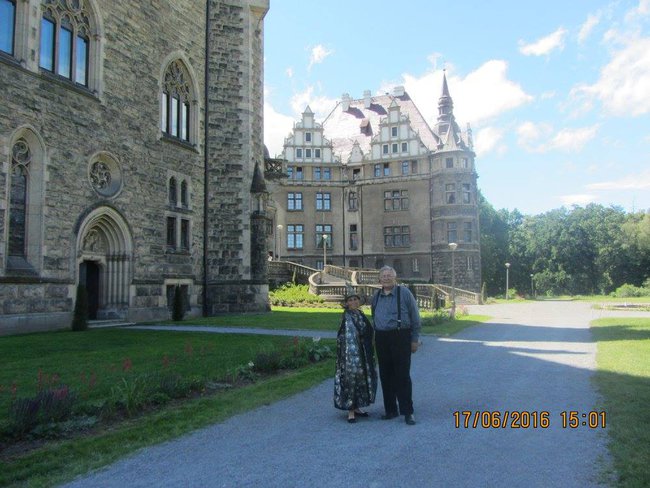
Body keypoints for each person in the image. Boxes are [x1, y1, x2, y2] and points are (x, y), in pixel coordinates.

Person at [371, 266, 421, 425]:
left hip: (400, 336)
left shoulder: (404, 293)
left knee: (402, 375)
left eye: (389, 275)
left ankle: (408, 412)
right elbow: (374, 315)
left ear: (395, 278)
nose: (386, 278)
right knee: (385, 375)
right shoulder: (376, 296)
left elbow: (415, 317)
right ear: (379, 279)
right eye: (383, 276)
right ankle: (391, 409)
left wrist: (414, 339)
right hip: (382, 338)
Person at [334, 292, 377, 423]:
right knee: (352, 378)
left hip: (363, 351)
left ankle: (357, 407)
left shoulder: (360, 314)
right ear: (346, 303)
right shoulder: (347, 316)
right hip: (351, 354)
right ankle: (351, 410)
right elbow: (349, 336)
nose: (353, 302)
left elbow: (368, 331)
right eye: (350, 300)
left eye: (355, 299)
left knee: (362, 377)